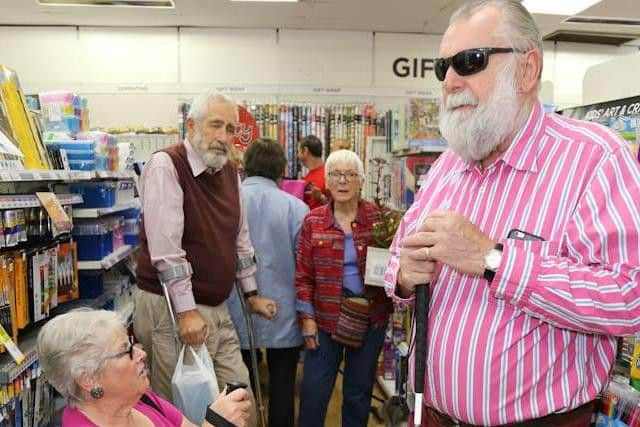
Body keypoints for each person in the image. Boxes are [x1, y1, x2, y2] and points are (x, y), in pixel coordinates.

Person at [384, 1, 640, 426]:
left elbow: (629, 296)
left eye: (470, 61)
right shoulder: (448, 164)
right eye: (442, 67)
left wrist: (492, 259)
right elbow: (399, 257)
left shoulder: (596, 158)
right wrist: (404, 276)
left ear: (527, 69)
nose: (449, 81)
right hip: (430, 415)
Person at [133, 92, 277, 425]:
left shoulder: (229, 173)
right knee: (180, 409)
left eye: (230, 129)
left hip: (216, 305)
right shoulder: (166, 165)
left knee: (241, 400)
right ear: (191, 125)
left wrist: (252, 294)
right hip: (168, 306)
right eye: (216, 125)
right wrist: (185, 311)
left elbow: (240, 239)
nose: (224, 137)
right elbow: (167, 250)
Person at [296, 149, 393, 427]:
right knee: (314, 392)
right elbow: (303, 276)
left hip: (370, 318)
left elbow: (395, 267)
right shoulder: (313, 221)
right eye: (336, 174)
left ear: (361, 180)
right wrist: (308, 320)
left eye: (350, 174)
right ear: (326, 180)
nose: (342, 181)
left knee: (358, 393)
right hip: (325, 320)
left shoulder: (380, 219)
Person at [36, 309, 252, 427]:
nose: (141, 354)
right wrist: (216, 423)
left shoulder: (143, 400)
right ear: (88, 378)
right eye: (126, 351)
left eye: (133, 344)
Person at [227, 138, 309, 427]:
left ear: (246, 167)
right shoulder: (296, 208)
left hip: (236, 306)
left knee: (237, 387)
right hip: (282, 309)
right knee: (283, 386)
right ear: (281, 170)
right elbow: (305, 265)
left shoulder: (228, 203)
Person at [297, 134, 329, 209]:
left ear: (305, 150)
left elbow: (339, 208)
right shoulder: (306, 179)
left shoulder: (330, 175)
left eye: (298, 151)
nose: (297, 155)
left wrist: (321, 198)